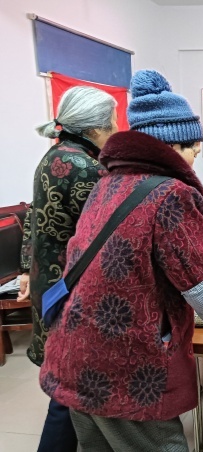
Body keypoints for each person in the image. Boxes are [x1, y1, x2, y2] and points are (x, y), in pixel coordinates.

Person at [40, 70, 203, 451]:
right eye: (194, 148)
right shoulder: (172, 194)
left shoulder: (107, 183)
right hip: (124, 366)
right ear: (172, 147)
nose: (197, 157)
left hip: (75, 352)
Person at [17, 86, 118, 452]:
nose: (115, 128)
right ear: (95, 127)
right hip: (73, 286)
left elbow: (33, 218)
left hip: (49, 279)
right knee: (71, 385)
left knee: (66, 375)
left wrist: (25, 268)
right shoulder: (88, 168)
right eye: (112, 122)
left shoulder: (54, 155)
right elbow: (107, 236)